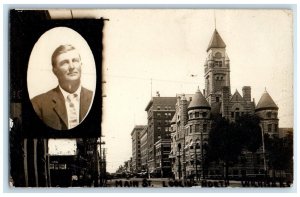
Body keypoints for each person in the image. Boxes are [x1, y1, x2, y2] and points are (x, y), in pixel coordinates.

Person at [31, 44, 93, 130]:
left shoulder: (93, 98)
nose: (72, 67)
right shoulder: (38, 104)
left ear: (81, 65)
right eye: (64, 62)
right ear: (54, 71)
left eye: (75, 61)